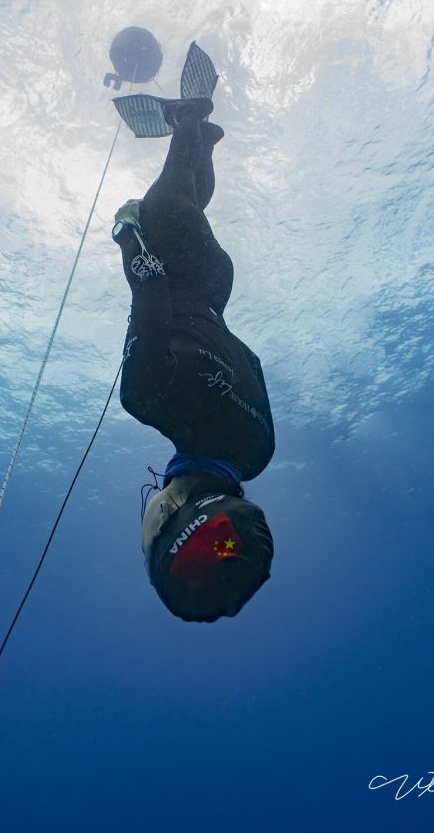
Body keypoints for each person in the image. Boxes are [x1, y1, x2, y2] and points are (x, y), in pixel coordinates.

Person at [112, 89, 275, 623]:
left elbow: (249, 361)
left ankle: (202, 140)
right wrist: (128, 235)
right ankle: (188, 118)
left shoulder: (258, 451)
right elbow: (149, 290)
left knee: (187, 200)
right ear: (164, 516)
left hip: (215, 285)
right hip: (177, 266)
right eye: (143, 542)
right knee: (165, 205)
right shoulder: (147, 397)